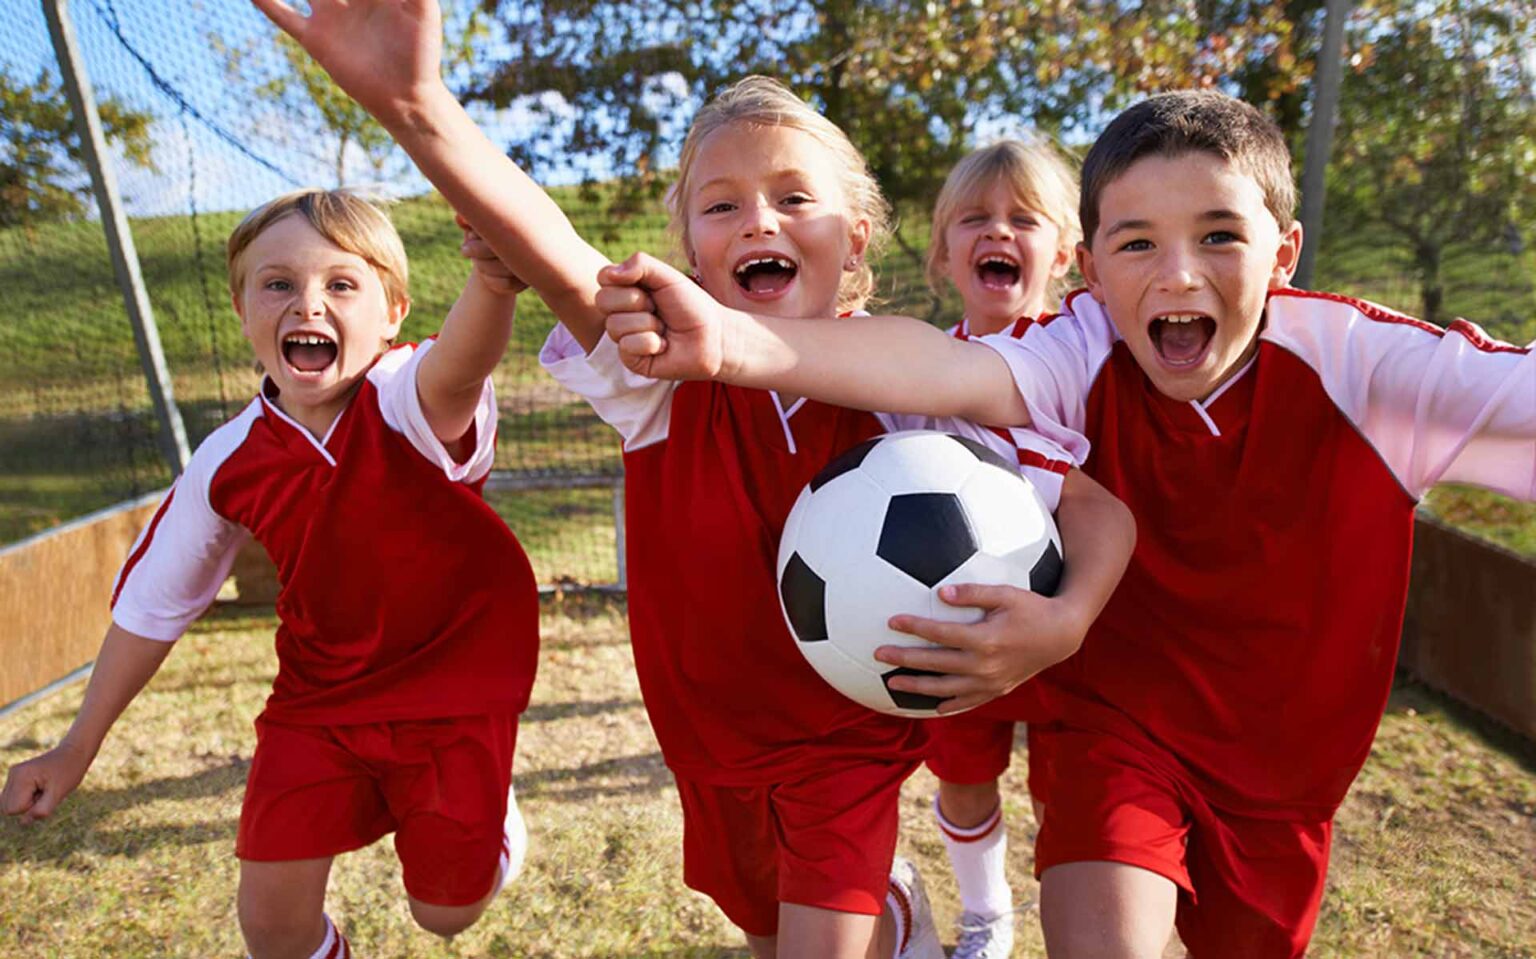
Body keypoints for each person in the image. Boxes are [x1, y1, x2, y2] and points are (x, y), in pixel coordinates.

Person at [249, 4, 1135, 956]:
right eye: (722, 205)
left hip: (846, 754)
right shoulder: (659, 376)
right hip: (710, 755)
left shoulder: (910, 380)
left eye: (796, 198)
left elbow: (1095, 510)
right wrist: (416, 105)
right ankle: (897, 916)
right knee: (767, 929)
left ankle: (878, 905)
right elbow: (547, 243)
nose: (758, 217)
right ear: (692, 247)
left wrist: (1066, 619)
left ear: (860, 236)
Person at [596, 89, 1536, 958]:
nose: (1176, 274)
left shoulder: (1366, 368)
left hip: (1287, 772)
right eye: (1136, 244)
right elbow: (940, 365)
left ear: (1283, 253)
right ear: (1090, 269)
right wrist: (729, 340)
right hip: (1110, 728)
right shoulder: (1077, 347)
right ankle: (979, 911)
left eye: (1218, 236)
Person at [0, 188, 540, 959]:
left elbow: (459, 369)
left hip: (449, 695)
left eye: (340, 285)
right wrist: (75, 746)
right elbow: (155, 606)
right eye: (278, 284)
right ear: (242, 309)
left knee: (444, 915)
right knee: (272, 925)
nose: (307, 304)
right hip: (318, 701)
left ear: (392, 314)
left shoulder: (406, 396)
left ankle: (494, 828)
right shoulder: (226, 459)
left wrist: (492, 284)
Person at [920, 137, 1081, 959]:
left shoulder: (1091, 358)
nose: (1000, 231)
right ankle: (986, 916)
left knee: (1071, 796)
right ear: (944, 251)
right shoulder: (911, 374)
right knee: (964, 774)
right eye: (976, 218)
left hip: (1075, 632)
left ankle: (1074, 914)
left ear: (1067, 252)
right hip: (961, 625)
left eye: (1025, 218)